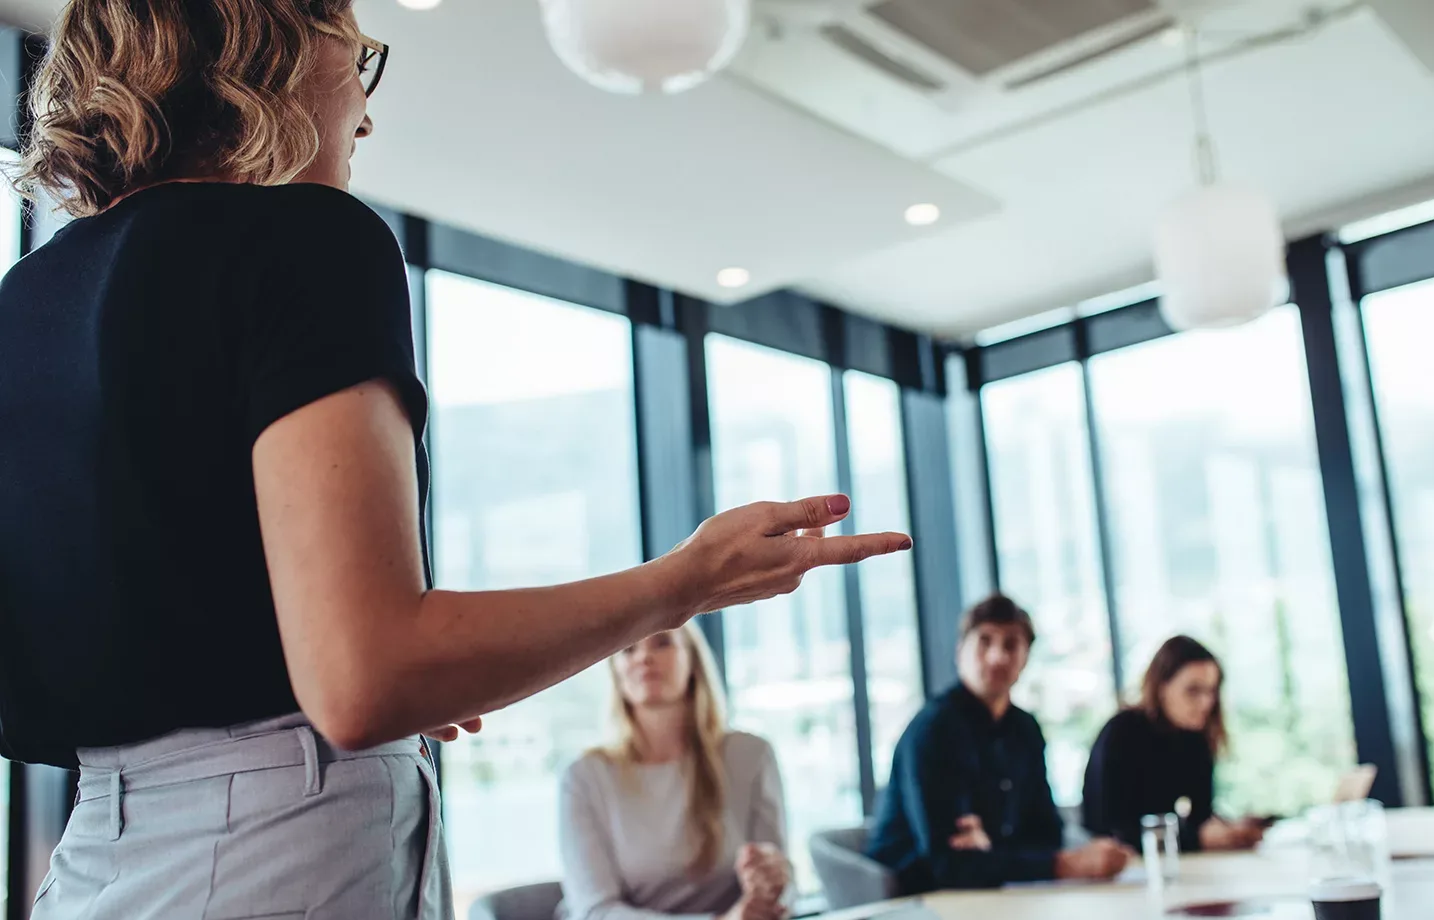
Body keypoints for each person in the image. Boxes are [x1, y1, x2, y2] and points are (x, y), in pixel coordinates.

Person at [0, 2, 910, 917]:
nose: (364, 113)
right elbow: (366, 680)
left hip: (92, 860)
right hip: (276, 849)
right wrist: (685, 582)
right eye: (360, 59)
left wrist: (299, 680)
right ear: (270, 48)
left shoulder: (25, 299)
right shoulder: (308, 237)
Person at [865, 595, 1132, 893]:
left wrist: (990, 846)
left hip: (992, 891)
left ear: (1026, 657)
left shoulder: (1025, 729)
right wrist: (1064, 864)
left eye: (1011, 645)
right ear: (959, 651)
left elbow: (1047, 834)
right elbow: (946, 862)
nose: (997, 657)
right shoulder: (932, 731)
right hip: (914, 897)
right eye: (985, 641)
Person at [559, 624, 793, 920]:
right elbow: (595, 912)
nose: (644, 658)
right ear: (615, 672)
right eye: (629, 649)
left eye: (662, 643)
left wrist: (773, 885)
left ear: (693, 661)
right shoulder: (584, 777)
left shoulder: (751, 755)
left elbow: (782, 883)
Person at [1081, 636, 1266, 854]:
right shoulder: (1122, 732)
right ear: (1162, 687)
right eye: (1193, 691)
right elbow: (1111, 828)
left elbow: (1200, 815)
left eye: (1211, 691)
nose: (1207, 703)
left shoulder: (1195, 738)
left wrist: (1227, 831)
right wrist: (1197, 838)